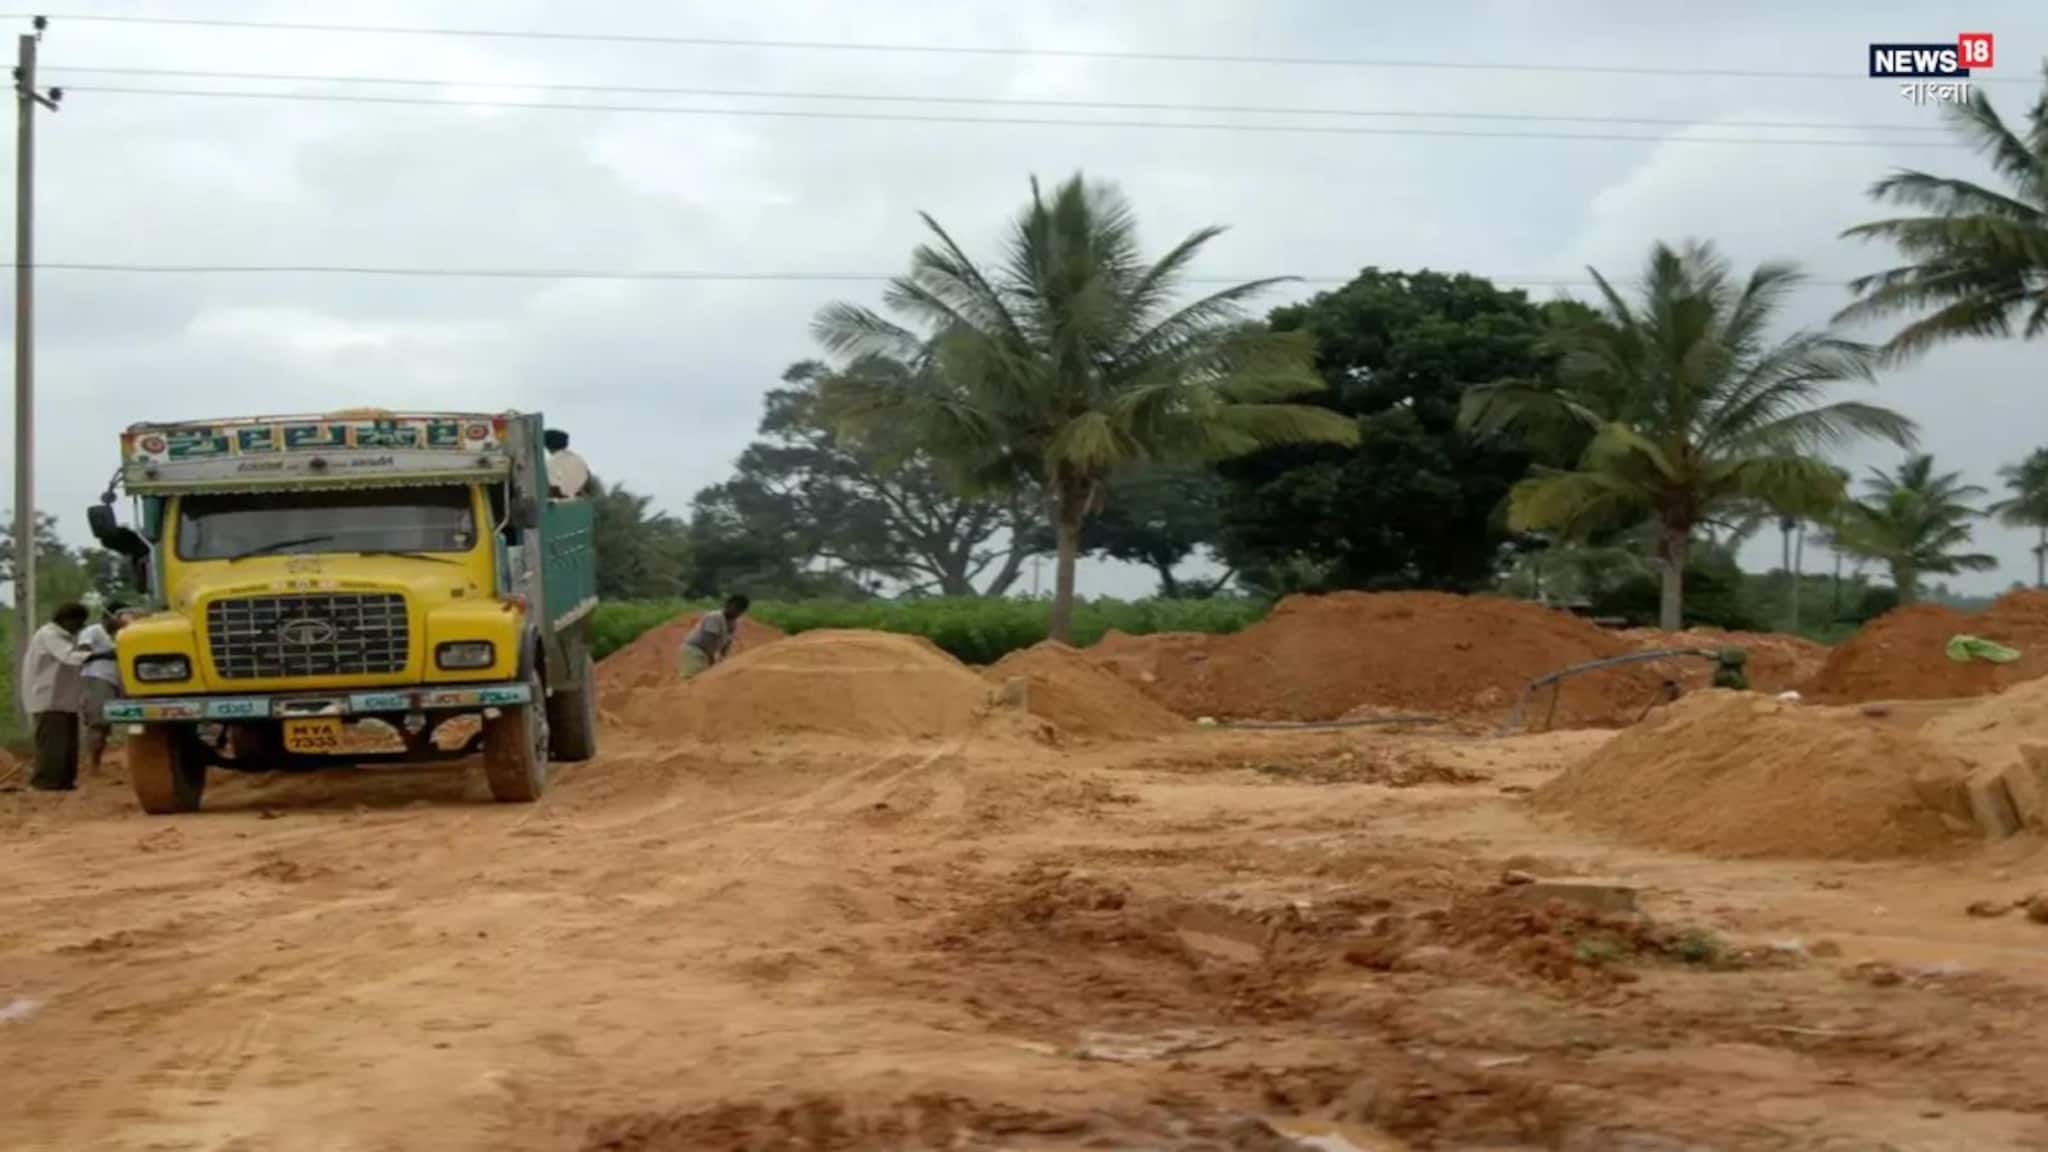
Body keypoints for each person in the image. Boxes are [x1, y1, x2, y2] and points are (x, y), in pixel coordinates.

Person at [18, 603, 93, 792]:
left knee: (68, 743)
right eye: (79, 622)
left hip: (65, 699)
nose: (80, 627)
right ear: (67, 619)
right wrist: (96, 654)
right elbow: (69, 657)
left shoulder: (66, 637)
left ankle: (64, 781)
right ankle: (45, 782)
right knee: (52, 743)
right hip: (48, 699)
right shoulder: (49, 635)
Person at [78, 601, 135, 774]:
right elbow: (81, 655)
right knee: (98, 722)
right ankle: (92, 764)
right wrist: (105, 655)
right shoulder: (94, 631)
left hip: (115, 681)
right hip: (97, 677)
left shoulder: (120, 636)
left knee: (108, 724)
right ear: (109, 616)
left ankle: (97, 762)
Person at [680, 595, 750, 680]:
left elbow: (728, 641)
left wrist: (722, 657)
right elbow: (708, 640)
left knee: (705, 678)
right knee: (693, 678)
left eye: (741, 610)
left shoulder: (733, 622)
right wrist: (712, 658)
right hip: (695, 650)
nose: (737, 612)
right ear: (727, 605)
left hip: (707, 652)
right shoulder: (715, 617)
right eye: (736, 608)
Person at [543, 429, 589, 500]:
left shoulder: (551, 463)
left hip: (561, 502)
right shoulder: (578, 459)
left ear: (547, 446)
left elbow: (554, 488)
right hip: (579, 500)